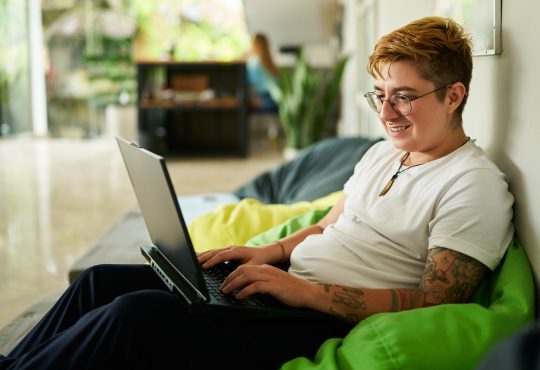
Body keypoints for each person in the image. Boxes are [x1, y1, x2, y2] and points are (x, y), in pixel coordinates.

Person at [0, 16, 514, 370]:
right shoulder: (384, 152)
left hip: (310, 318)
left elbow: (436, 302)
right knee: (99, 282)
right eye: (379, 95)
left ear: (454, 95)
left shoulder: (472, 186)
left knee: (133, 317)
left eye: (404, 97)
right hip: (284, 287)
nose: (385, 113)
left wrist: (308, 293)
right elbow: (330, 225)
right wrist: (267, 253)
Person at [246, 33, 280, 112]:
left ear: (253, 46)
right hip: (276, 101)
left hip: (263, 100)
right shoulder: (272, 64)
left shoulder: (253, 64)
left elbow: (249, 83)